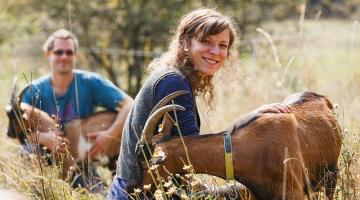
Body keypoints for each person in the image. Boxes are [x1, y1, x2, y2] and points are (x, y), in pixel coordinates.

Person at [109, 8, 291, 199]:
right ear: (185, 42)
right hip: (137, 193)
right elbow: (195, 153)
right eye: (206, 41)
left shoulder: (175, 77)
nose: (215, 51)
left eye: (222, 45)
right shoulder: (173, 82)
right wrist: (251, 122)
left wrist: (251, 118)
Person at [20, 29, 133, 190]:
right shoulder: (33, 89)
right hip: (45, 163)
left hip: (81, 162)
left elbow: (130, 104)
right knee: (27, 150)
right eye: (59, 52)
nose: (64, 57)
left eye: (69, 52)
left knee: (96, 194)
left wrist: (110, 133)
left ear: (76, 55)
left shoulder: (91, 82)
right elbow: (14, 132)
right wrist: (42, 137)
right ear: (48, 54)